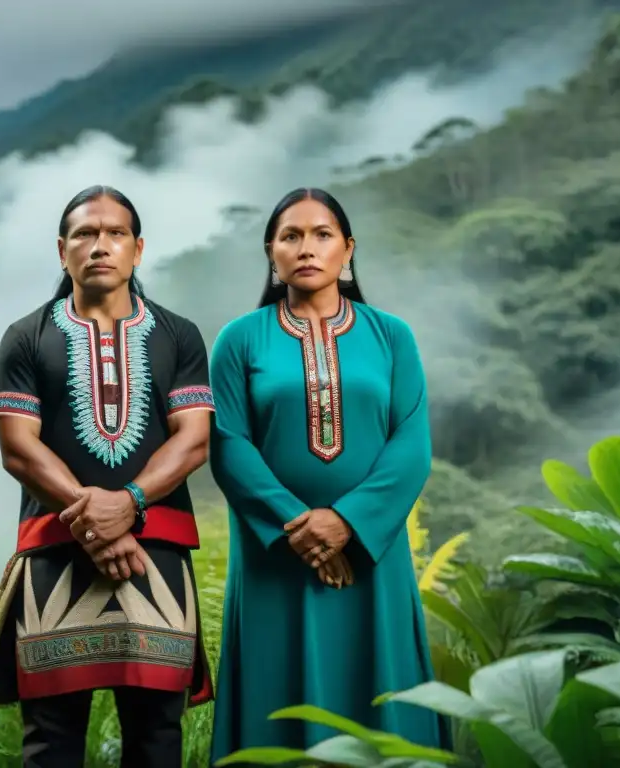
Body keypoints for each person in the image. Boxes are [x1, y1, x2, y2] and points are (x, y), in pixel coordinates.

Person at [0, 185, 215, 767]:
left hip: (155, 554)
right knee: (50, 742)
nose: (99, 245)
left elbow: (194, 439)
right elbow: (17, 448)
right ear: (63, 251)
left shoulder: (179, 335)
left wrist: (127, 502)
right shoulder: (26, 335)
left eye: (114, 234)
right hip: (55, 555)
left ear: (138, 249)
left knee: (157, 736)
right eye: (84, 234)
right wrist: (99, 523)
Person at [208, 187, 446, 761]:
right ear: (272, 253)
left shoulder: (392, 336)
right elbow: (229, 445)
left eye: (322, 235)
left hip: (373, 554)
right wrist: (300, 524)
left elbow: (411, 445)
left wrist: (347, 524)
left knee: (381, 687)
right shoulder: (240, 339)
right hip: (274, 558)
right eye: (291, 236)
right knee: (275, 687)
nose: (306, 247)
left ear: (348, 249)